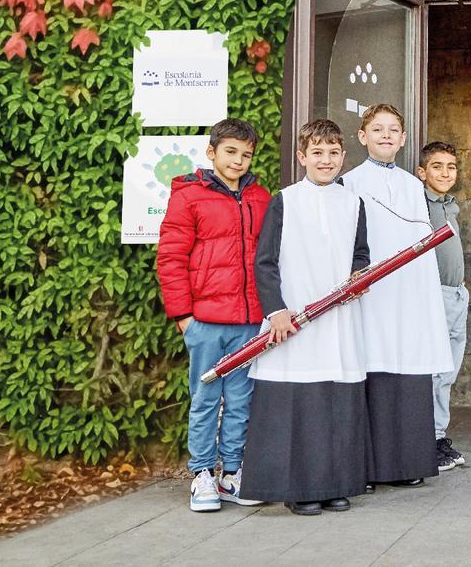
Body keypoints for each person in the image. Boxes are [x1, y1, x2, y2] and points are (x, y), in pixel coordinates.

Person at [240, 119, 372, 516]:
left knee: (336, 403)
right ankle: (299, 491)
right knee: (299, 408)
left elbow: (360, 254)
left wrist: (359, 277)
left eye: (333, 153)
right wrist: (277, 311)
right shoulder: (285, 201)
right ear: (302, 157)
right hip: (294, 316)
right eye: (317, 152)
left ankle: (335, 485)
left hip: (338, 319)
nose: (325, 160)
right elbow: (265, 262)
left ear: (343, 156)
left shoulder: (353, 202)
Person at [157, 117, 270, 513]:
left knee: (241, 399)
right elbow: (171, 257)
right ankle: (203, 473)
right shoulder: (189, 196)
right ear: (212, 152)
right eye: (230, 152)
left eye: (246, 155)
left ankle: (231, 473)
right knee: (206, 398)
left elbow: (269, 257)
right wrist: (184, 317)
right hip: (205, 322)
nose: (238, 161)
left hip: (249, 321)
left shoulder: (260, 197)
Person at [344, 104, 453, 487]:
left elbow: (420, 244)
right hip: (373, 295)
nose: (386, 135)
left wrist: (424, 300)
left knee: (408, 375)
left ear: (403, 138)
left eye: (393, 130)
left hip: (408, 295)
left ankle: (406, 465)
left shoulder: (412, 186)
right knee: (373, 373)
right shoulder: (349, 183)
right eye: (378, 129)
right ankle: (369, 467)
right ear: (363, 136)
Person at [416, 141, 469, 473]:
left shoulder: (450, 205)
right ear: (422, 172)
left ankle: (438, 435)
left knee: (448, 371)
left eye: (451, 167)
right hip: (434, 295)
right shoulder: (420, 204)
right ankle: (429, 439)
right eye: (437, 166)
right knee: (434, 371)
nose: (446, 173)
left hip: (456, 294)